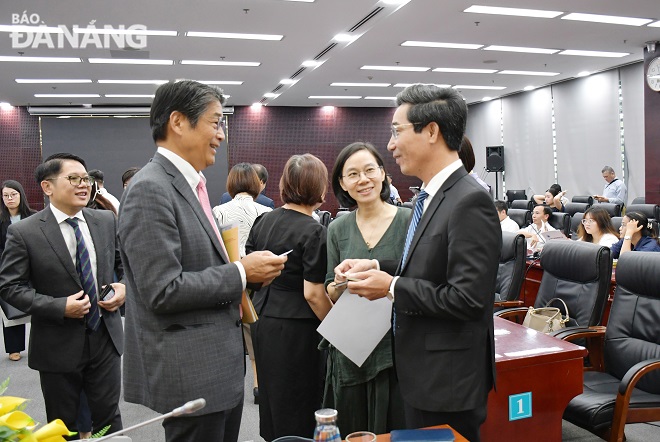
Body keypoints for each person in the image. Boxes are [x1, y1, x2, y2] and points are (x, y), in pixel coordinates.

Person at [117, 80, 286, 442]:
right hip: (191, 371)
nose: (221, 135)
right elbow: (162, 290)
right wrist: (241, 271)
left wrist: (249, 274)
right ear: (178, 122)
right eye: (215, 122)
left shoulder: (191, 184)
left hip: (215, 367)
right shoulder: (151, 188)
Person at [333, 85, 501, 442]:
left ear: (431, 131)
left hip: (447, 380)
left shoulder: (469, 200)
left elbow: (466, 299)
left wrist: (391, 288)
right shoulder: (432, 196)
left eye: (397, 131)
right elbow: (425, 264)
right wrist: (374, 265)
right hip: (422, 372)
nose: (390, 145)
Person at [0, 153, 125, 436]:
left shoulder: (105, 220)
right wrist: (59, 306)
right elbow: (10, 287)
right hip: (57, 343)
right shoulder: (24, 232)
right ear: (47, 187)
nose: (84, 185)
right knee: (63, 425)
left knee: (108, 420)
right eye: (74, 179)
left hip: (105, 336)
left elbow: (124, 264)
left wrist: (124, 287)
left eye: (87, 179)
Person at [323, 142, 409, 435]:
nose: (363, 180)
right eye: (353, 174)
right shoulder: (337, 228)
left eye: (370, 170)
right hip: (351, 346)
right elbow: (330, 290)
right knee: (353, 427)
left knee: (392, 428)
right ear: (343, 184)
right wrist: (339, 283)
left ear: (384, 174)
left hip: (395, 347)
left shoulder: (409, 221)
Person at [246, 153, 333, 441]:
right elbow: (313, 294)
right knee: (300, 399)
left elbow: (252, 276)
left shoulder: (263, 220)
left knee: (273, 395)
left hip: (262, 319)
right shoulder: (314, 231)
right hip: (297, 327)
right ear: (319, 188)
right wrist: (339, 330)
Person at [212, 162, 272, 405]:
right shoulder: (267, 213)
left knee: (229, 335)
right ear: (257, 183)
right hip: (259, 280)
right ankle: (259, 384)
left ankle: (231, 386)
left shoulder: (217, 211)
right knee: (255, 333)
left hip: (228, 278)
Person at [0, 180, 36, 362]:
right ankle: (14, 348)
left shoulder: (33, 216)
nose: (9, 198)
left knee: (39, 306)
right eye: (5, 195)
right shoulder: (1, 220)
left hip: (34, 267)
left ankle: (39, 345)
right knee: (12, 308)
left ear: (21, 195)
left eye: (13, 194)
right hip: (8, 269)